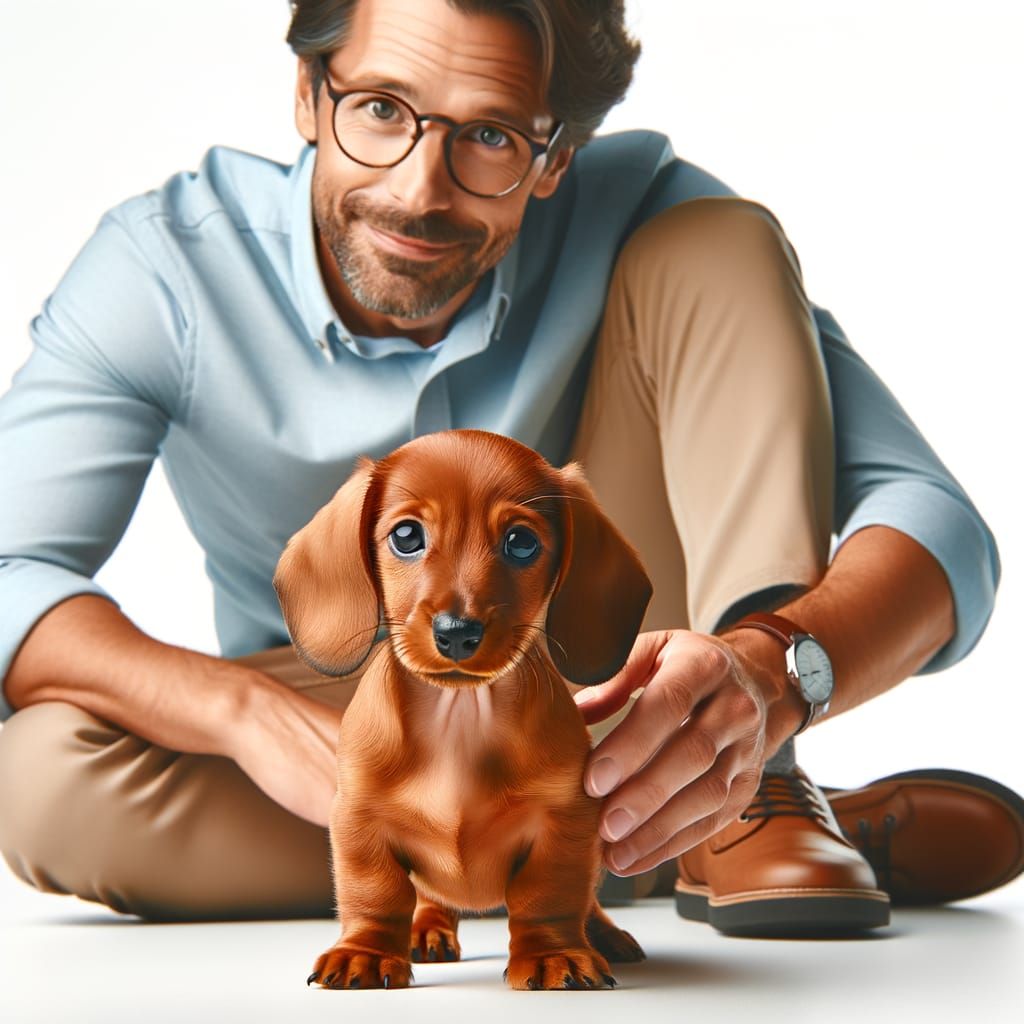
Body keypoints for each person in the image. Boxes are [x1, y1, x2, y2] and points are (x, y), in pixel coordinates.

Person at [0, 0, 1011, 934]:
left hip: (604, 656)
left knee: (715, 241)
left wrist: (770, 677)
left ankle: (748, 777)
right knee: (39, 778)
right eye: (381, 110)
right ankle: (670, 830)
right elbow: (10, 568)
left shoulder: (652, 226)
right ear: (307, 95)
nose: (416, 190)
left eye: (489, 136)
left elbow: (936, 526)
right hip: (354, 700)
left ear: (556, 157)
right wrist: (242, 715)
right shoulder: (165, 270)